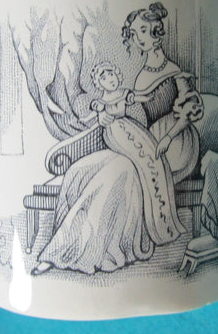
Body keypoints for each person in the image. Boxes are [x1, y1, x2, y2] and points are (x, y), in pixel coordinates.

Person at [31, 60, 186, 276]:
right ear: (99, 83)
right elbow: (91, 118)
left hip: (137, 144)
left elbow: (145, 112)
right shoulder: (105, 98)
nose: (109, 80)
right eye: (104, 77)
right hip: (115, 142)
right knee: (78, 171)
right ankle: (63, 245)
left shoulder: (160, 83)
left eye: (111, 75)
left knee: (113, 177)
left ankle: (70, 249)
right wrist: (96, 117)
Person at [121, 2, 204, 183]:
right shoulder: (140, 77)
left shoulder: (173, 70)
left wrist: (168, 138)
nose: (138, 38)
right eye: (134, 33)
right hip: (153, 139)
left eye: (143, 30)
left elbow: (190, 110)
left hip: (178, 138)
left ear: (156, 30)